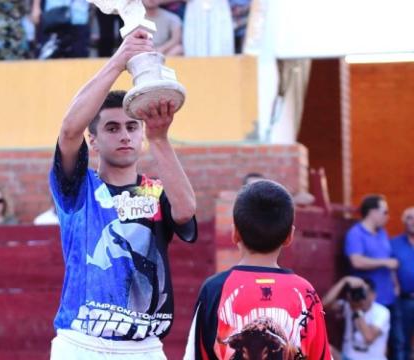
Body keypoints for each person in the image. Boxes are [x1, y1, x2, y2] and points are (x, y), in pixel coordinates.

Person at [49, 29, 197, 358]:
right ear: (94, 140)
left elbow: (186, 211)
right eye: (112, 128)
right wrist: (120, 59)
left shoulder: (154, 189)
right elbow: (69, 130)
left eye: (132, 127)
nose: (125, 136)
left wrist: (160, 139)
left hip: (145, 346)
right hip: (83, 342)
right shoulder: (79, 188)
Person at [184, 180, 331, 360]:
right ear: (289, 237)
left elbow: (195, 355)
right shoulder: (304, 291)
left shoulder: (215, 288)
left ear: (235, 233)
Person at [345, 195, 398, 307]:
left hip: (389, 297)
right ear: (373, 212)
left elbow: (389, 259)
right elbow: (356, 262)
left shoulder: (382, 233)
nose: (387, 216)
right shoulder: (356, 233)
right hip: (369, 303)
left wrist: (396, 285)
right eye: (385, 212)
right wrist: (384, 262)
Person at [323, 276, 390, 360]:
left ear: (373, 295)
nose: (360, 295)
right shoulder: (348, 306)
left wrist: (357, 310)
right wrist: (344, 281)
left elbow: (369, 338)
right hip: (348, 357)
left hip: (372, 358)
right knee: (327, 348)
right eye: (357, 292)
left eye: (363, 292)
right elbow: (324, 304)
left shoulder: (382, 312)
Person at [390, 207, 414, 360]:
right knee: (401, 342)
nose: (413, 221)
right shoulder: (394, 243)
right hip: (405, 300)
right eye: (410, 218)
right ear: (403, 221)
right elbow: (390, 268)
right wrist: (395, 285)